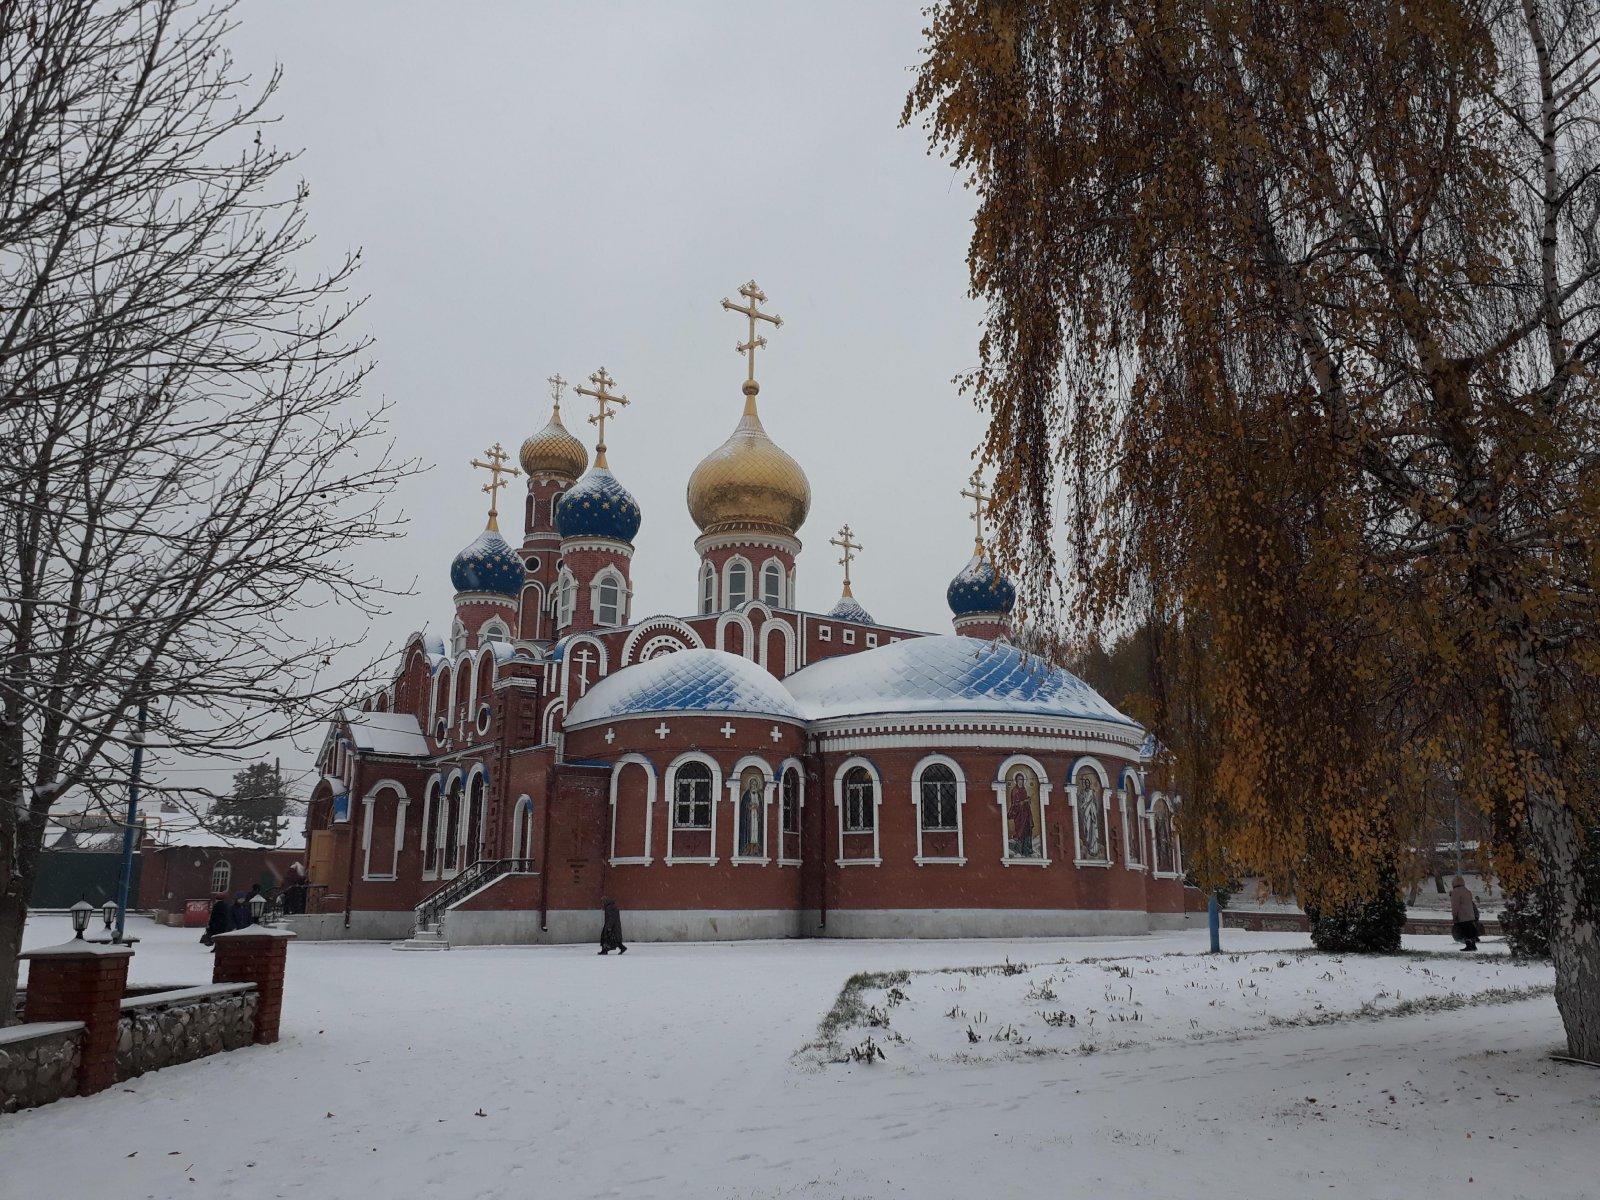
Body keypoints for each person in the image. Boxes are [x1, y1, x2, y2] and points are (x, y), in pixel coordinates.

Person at [1451, 875, 1481, 951]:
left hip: (1462, 915)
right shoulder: (1467, 891)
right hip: (1470, 915)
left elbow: (1455, 905)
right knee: (1470, 931)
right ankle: (1473, 945)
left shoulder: (1455, 892)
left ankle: (1469, 946)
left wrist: (1454, 916)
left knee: (1465, 932)